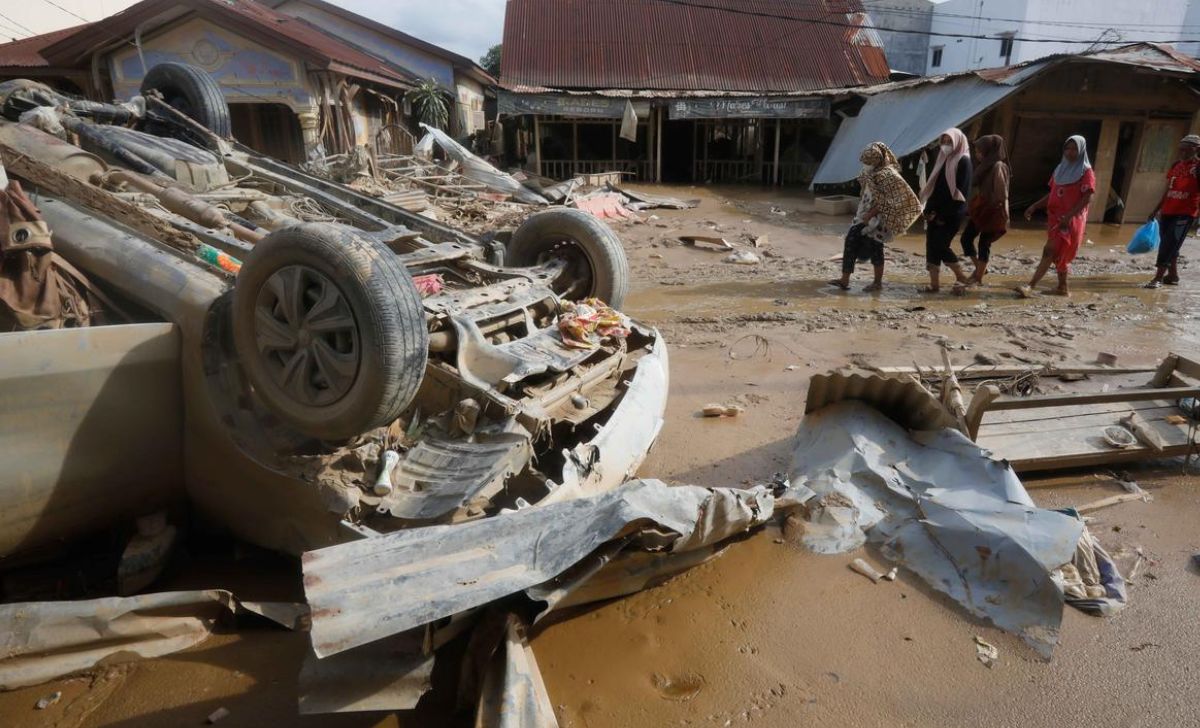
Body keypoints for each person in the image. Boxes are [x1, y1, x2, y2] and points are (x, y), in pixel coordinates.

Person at [830, 142, 923, 292]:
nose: (865, 165)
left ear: (877, 160)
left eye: (868, 162)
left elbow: (889, 200)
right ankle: (844, 279)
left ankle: (877, 283)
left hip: (881, 219)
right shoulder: (870, 172)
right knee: (851, 241)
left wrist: (871, 214)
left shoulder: (888, 175)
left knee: (875, 248)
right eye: (864, 162)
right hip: (864, 215)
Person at [1020, 135, 1095, 297]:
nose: (1070, 152)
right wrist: (1034, 206)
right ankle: (1063, 287)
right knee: (1058, 254)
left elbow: (1087, 197)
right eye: (1067, 148)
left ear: (1081, 150)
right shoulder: (1060, 169)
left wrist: (1068, 217)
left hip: (1070, 220)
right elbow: (1052, 194)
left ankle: (1030, 286)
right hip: (1055, 217)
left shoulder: (1086, 172)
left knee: (1049, 251)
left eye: (1074, 149)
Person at [918, 128, 972, 292]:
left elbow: (960, 192)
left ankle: (961, 276)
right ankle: (934, 285)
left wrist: (943, 215)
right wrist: (929, 211)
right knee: (931, 246)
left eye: (949, 141)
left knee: (940, 245)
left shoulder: (963, 161)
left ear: (958, 142)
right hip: (935, 211)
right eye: (944, 141)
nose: (946, 145)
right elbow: (935, 187)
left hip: (953, 213)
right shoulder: (942, 159)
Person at [1145, 134, 1200, 288]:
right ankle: (1173, 275)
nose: (1182, 152)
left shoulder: (1198, 167)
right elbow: (1168, 189)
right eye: (1180, 149)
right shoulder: (1176, 165)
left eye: (1186, 149)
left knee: (1169, 244)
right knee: (1170, 244)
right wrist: (1156, 209)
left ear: (1196, 149)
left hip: (1186, 213)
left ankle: (1157, 278)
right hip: (1168, 211)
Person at [959, 134, 1010, 287]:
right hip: (982, 209)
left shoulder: (998, 166)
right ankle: (980, 269)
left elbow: (1002, 193)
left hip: (993, 210)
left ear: (989, 151)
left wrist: (1002, 212)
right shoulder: (985, 166)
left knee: (984, 243)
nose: (977, 154)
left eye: (980, 151)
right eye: (976, 151)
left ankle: (979, 277)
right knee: (966, 238)